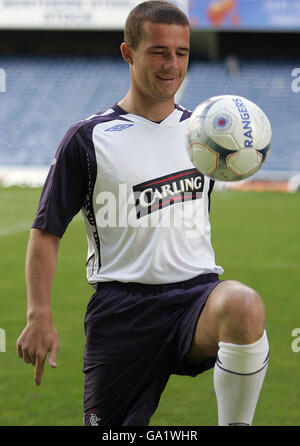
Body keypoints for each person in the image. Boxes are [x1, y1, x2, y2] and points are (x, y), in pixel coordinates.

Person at [16, 0, 269, 426]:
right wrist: (38, 314)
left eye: (182, 52)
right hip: (122, 311)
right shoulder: (88, 139)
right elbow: (46, 232)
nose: (172, 64)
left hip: (195, 298)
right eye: (158, 52)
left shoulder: (203, 134)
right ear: (128, 53)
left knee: (244, 306)